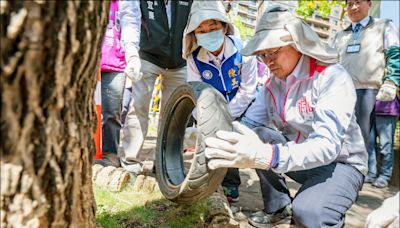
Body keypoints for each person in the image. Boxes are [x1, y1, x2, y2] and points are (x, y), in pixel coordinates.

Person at [204, 7, 367, 228]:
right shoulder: (272, 84)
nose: (268, 61)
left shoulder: (331, 77)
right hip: (303, 158)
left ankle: (327, 205)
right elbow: (248, 126)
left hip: (342, 163)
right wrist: (205, 135)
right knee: (258, 135)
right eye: (262, 56)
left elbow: (327, 146)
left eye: (273, 52)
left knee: (310, 213)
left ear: (298, 44)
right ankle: (279, 208)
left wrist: (269, 155)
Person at [182, 1, 257, 202]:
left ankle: (231, 186)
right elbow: (196, 91)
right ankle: (208, 184)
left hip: (243, 105)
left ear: (224, 27)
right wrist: (205, 118)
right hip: (210, 106)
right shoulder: (194, 57)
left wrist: (225, 116)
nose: (207, 33)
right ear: (194, 34)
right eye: (201, 30)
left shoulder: (244, 51)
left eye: (213, 27)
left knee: (230, 138)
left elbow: (248, 91)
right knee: (208, 140)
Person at [119, 0, 192, 173]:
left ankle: (164, 163)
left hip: (179, 60)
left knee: (173, 114)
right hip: (147, 56)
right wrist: (132, 56)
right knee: (139, 107)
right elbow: (130, 19)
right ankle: (131, 161)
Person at [331, 0, 399, 184]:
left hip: (371, 90)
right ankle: (361, 173)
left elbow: (395, 53)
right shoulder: (340, 36)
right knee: (357, 140)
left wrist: (392, 81)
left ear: (369, 4)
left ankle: (381, 175)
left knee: (377, 140)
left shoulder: (383, 26)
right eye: (349, 3)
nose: (353, 7)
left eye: (358, 2)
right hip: (344, 93)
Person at [97, 0, 126, 167]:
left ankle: (110, 154)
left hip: (115, 65)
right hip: (89, 64)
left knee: (112, 112)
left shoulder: (125, 3)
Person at [368, 95, 400, 188]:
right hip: (369, 107)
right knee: (369, 144)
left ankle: (385, 176)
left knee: (385, 145)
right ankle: (371, 173)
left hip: (387, 108)